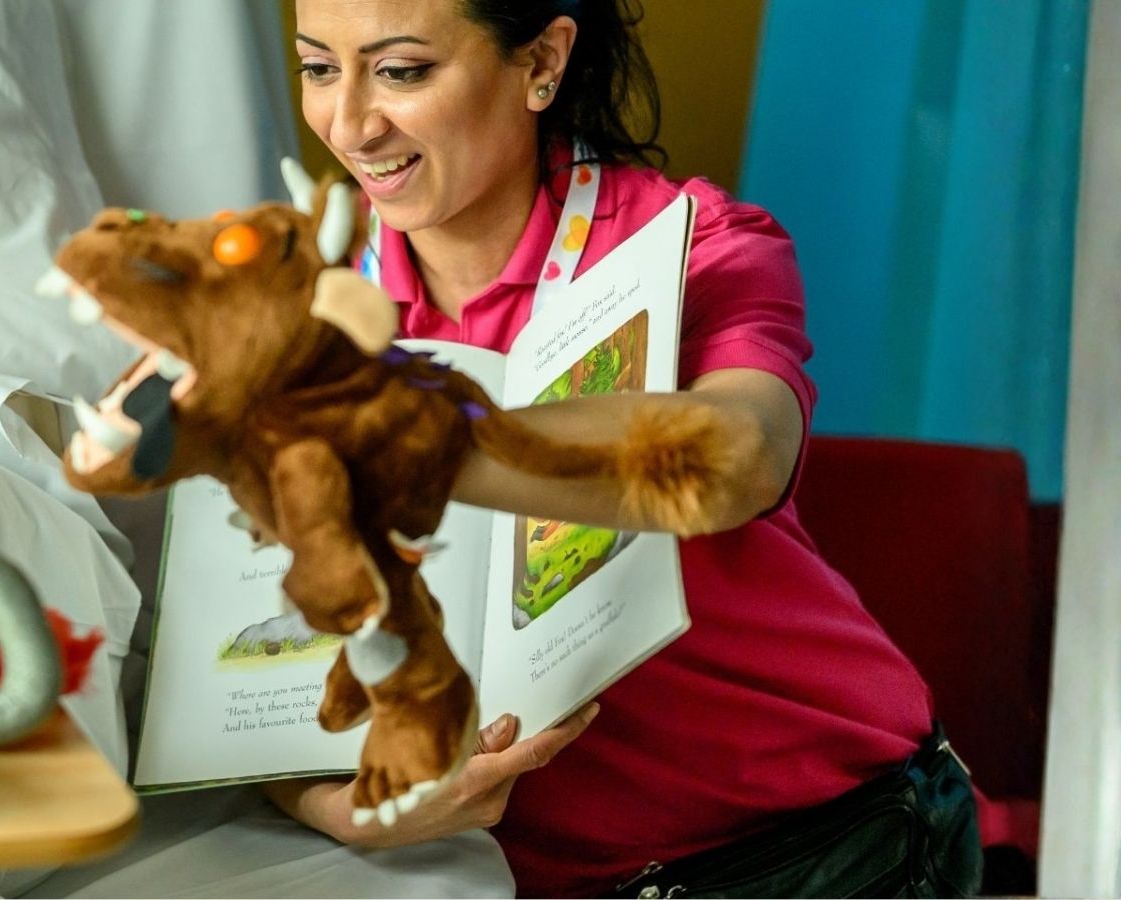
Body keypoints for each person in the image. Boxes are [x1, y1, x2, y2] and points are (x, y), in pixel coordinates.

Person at [259, 0, 983, 896]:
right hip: (521, 877)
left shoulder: (692, 246)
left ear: (541, 64)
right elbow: (238, 686)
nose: (351, 123)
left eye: (403, 71)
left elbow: (737, 461)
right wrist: (341, 808)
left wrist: (420, 449)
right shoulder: (306, 309)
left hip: (821, 837)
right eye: (319, 68)